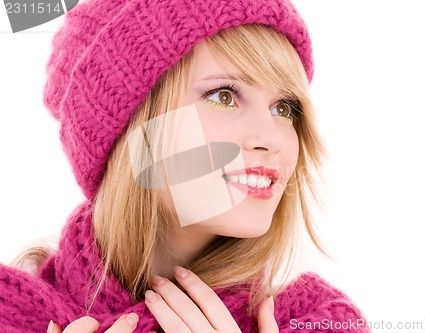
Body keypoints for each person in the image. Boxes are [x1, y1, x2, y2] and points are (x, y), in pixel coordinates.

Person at [0, 0, 371, 332]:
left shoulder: (323, 322)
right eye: (224, 96)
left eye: (284, 108)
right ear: (133, 134)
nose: (272, 138)